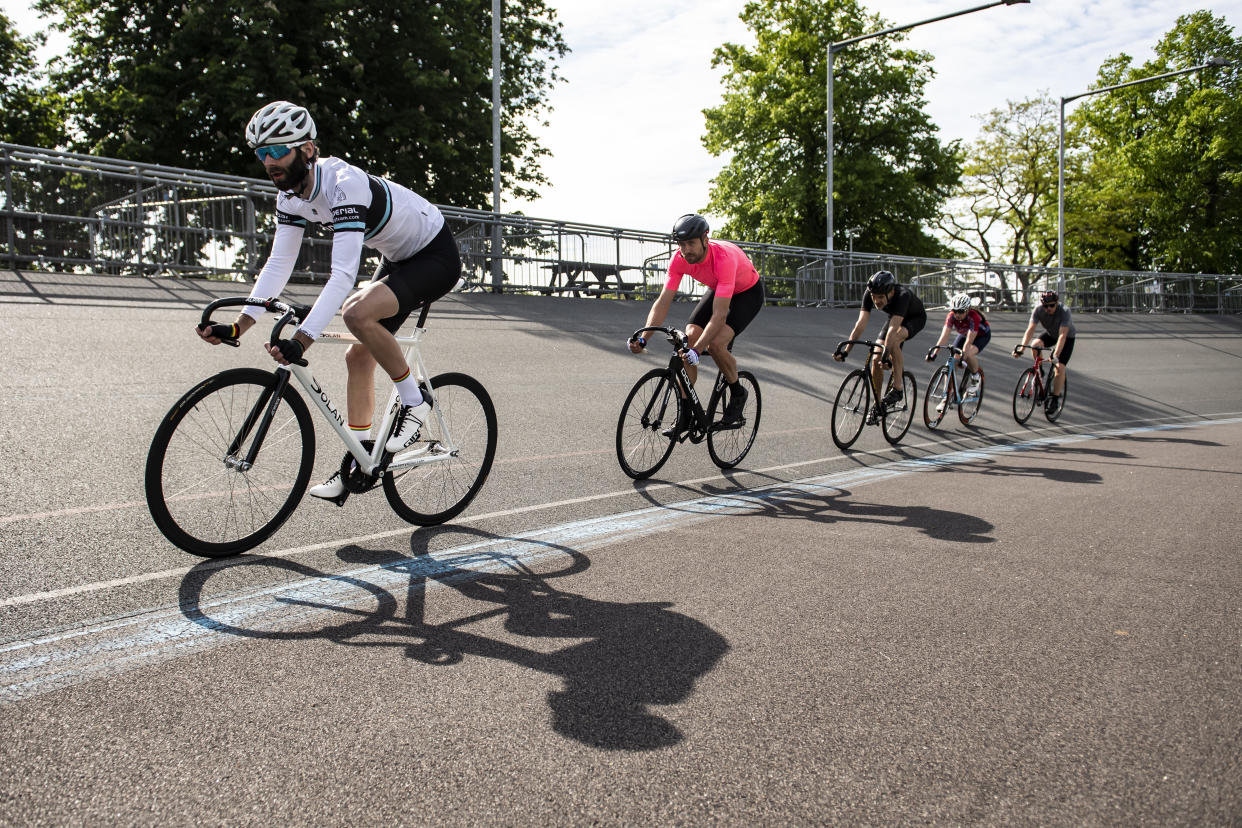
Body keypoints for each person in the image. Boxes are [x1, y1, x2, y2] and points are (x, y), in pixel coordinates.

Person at [196, 100, 463, 504]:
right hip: (398, 258)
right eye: (261, 153)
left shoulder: (343, 184)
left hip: (434, 255)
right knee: (357, 357)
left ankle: (415, 399)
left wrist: (302, 341)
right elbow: (278, 264)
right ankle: (358, 462)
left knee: (356, 312)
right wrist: (239, 325)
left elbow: (342, 275)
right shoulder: (290, 196)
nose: (268, 162)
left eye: (276, 151)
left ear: (307, 149)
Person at [628, 214, 764, 436]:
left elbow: (719, 316)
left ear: (705, 239)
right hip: (720, 287)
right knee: (687, 338)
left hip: (747, 293)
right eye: (681, 244)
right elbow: (663, 302)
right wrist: (644, 339)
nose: (686, 249)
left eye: (691, 243)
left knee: (716, 344)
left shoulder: (723, 258)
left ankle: (737, 392)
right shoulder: (679, 259)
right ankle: (686, 415)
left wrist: (698, 351)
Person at [834, 269, 927, 422]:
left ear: (890, 293)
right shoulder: (870, 292)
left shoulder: (902, 295)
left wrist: (887, 357)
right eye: (873, 297)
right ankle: (877, 404)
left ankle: (897, 389)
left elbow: (893, 329)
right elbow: (860, 324)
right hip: (895, 317)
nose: (876, 301)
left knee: (895, 340)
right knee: (875, 359)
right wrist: (846, 351)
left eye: (880, 297)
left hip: (914, 318)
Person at [1013, 289, 1076, 412]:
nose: (1048, 308)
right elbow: (1030, 329)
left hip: (1067, 338)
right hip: (1051, 334)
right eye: (1045, 306)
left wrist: (1055, 355)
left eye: (1051, 305)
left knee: (1059, 367)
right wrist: (1021, 348)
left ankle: (1055, 399)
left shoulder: (1064, 311)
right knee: (1035, 344)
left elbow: (1062, 336)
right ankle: (1039, 371)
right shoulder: (1038, 310)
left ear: (1057, 303)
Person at [926, 292, 990, 411]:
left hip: (981, 336)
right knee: (952, 360)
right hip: (964, 334)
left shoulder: (974, 317)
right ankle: (946, 398)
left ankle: (976, 378)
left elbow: (968, 342)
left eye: (960, 311)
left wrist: (962, 357)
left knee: (968, 354)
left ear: (967, 310)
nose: (957, 314)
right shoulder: (951, 316)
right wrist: (935, 352)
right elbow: (944, 336)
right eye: (955, 311)